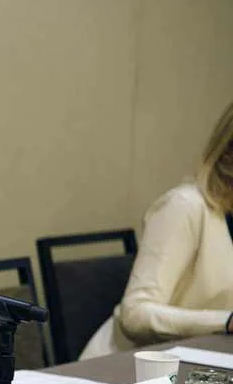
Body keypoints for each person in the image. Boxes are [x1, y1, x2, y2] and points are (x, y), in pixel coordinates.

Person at [81, 100, 233, 359]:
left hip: (203, 369)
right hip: (124, 374)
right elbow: (136, 314)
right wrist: (225, 322)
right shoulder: (185, 207)